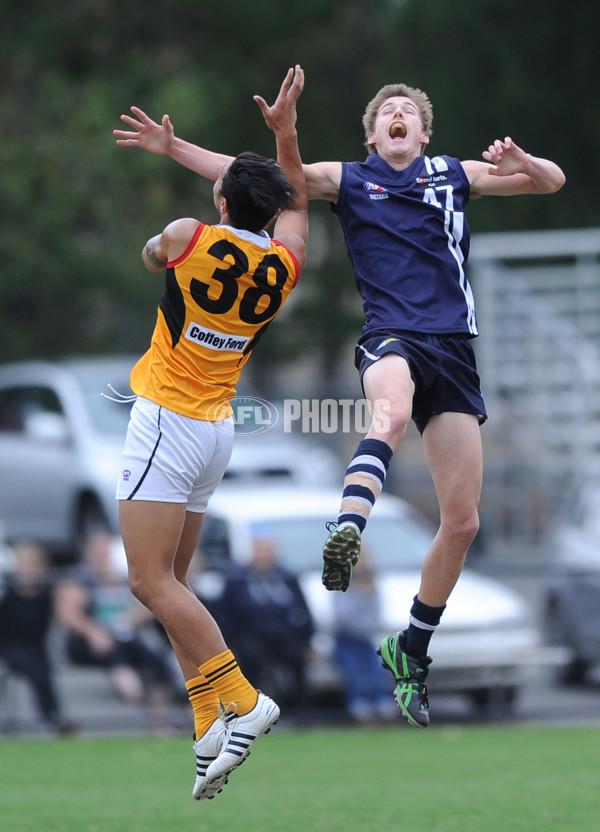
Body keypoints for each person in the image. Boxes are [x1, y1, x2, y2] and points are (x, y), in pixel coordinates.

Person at [113, 75, 565, 730]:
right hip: (392, 338)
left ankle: (410, 648)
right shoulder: (348, 180)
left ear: (425, 131)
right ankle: (347, 527)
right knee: (393, 412)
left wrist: (526, 166)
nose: (400, 112)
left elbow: (550, 181)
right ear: (373, 133)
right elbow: (256, 180)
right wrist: (177, 146)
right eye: (388, 110)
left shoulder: (452, 174)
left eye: (410, 108)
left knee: (461, 522)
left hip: (457, 349)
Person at [112, 65, 308, 799]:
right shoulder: (286, 264)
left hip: (165, 420)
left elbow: (152, 254)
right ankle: (207, 724)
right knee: (175, 583)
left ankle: (242, 701)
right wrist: (285, 139)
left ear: (223, 199)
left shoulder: (188, 236)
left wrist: (175, 156)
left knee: (145, 580)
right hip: (216, 431)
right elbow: (289, 200)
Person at [56, 531, 175, 734]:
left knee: (156, 662)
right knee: (113, 651)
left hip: (126, 636)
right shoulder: (78, 580)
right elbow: (67, 614)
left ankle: (158, 721)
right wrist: (92, 631)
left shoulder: (125, 577)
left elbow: (151, 606)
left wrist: (131, 619)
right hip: (93, 640)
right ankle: (132, 691)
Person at [215, 527, 314, 718]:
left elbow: (303, 611)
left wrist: (307, 641)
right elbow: (225, 614)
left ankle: (299, 711)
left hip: (284, 636)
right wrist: (229, 644)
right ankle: (251, 711)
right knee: (252, 657)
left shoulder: (286, 577)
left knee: (297, 658)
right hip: (250, 636)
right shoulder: (237, 579)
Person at [0, 540, 74, 735]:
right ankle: (51, 718)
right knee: (27, 663)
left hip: (36, 648)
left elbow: (62, 617)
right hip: (7, 646)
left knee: (40, 671)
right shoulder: (6, 592)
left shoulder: (48, 592)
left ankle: (51, 718)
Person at [331, 552, 398, 726]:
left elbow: (375, 619)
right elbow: (342, 619)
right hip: (345, 640)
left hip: (364, 639)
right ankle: (360, 708)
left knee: (378, 670)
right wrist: (360, 595)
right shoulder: (340, 587)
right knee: (353, 672)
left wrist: (368, 594)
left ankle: (383, 706)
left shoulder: (373, 589)